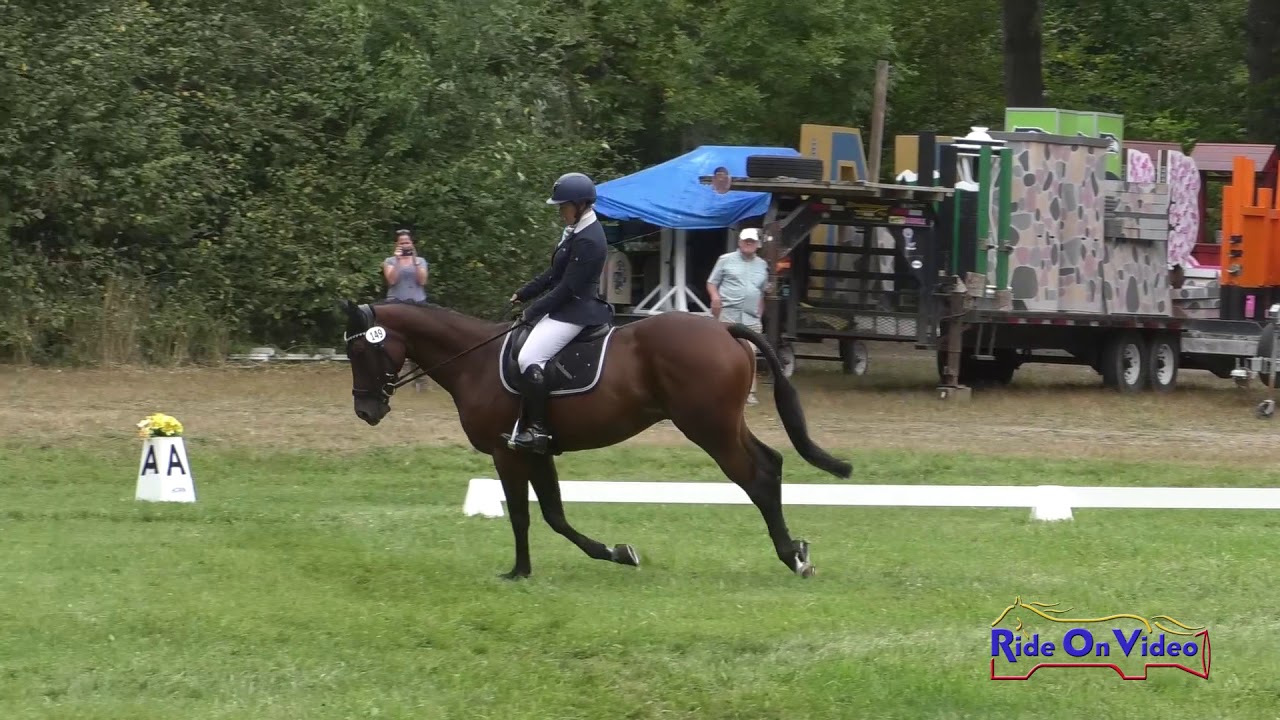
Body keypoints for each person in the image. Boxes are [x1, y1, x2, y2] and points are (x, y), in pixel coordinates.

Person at [505, 172, 613, 453]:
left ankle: (539, 431)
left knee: (530, 357)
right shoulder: (576, 231)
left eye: (564, 206)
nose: (561, 212)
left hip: (577, 310)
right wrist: (526, 292)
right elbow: (555, 272)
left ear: (580, 205)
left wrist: (533, 311)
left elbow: (567, 288)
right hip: (568, 305)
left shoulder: (589, 239)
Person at [707, 227, 769, 405]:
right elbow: (712, 282)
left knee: (751, 352)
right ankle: (720, 388)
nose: (748, 244)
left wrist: (760, 313)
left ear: (757, 244)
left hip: (751, 317)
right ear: (739, 242)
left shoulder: (762, 265)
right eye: (745, 241)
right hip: (728, 313)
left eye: (752, 241)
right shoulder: (725, 260)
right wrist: (715, 297)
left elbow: (762, 291)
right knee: (724, 353)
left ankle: (749, 392)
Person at [382, 229, 429, 390]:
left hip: (417, 305)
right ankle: (391, 380)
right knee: (394, 342)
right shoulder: (389, 261)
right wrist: (397, 260)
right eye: (401, 243)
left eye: (407, 242)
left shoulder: (420, 261)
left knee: (418, 343)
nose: (405, 245)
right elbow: (391, 280)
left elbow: (422, 281)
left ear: (412, 244)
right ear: (397, 245)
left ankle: (420, 382)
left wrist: (414, 259)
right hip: (396, 305)